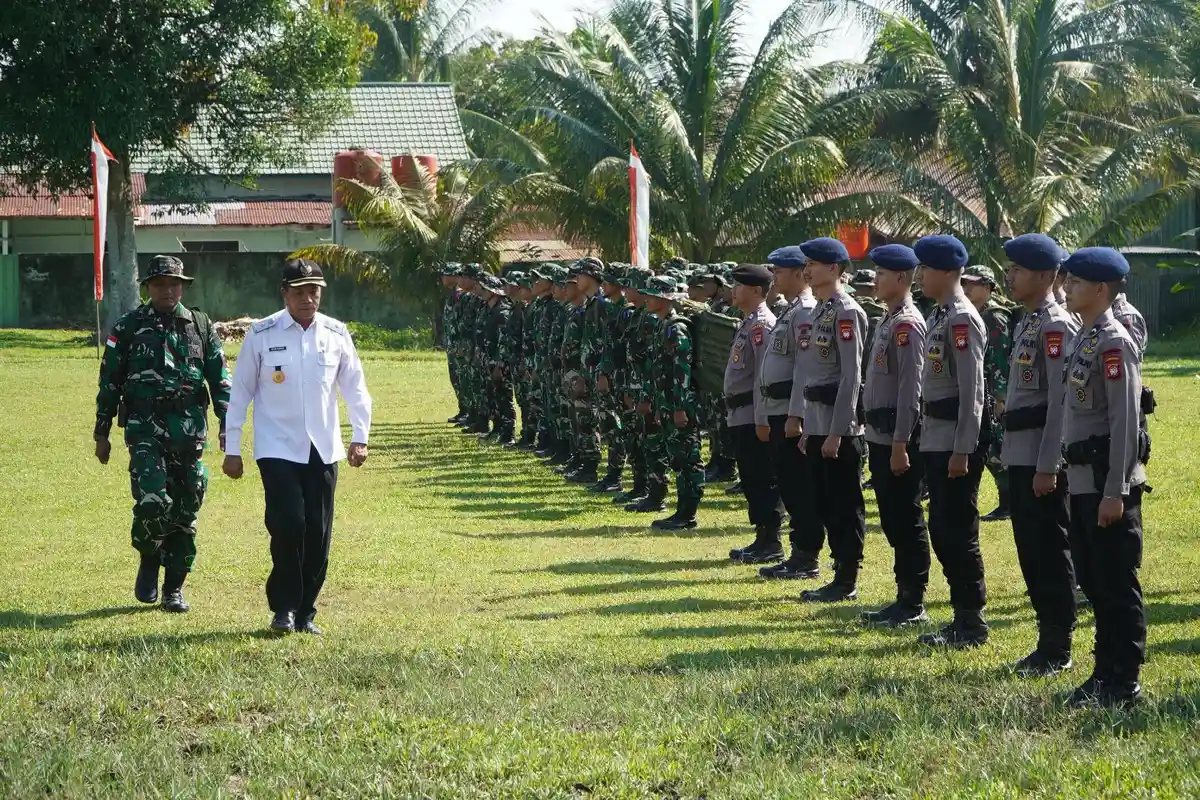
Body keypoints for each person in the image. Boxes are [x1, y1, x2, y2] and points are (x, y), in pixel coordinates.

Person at [222, 258, 373, 634]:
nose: (309, 299)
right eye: (301, 292)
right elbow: (240, 392)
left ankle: (306, 611)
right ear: (285, 293)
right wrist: (233, 447)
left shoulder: (336, 333)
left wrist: (360, 436)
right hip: (277, 447)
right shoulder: (262, 333)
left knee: (318, 533)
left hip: (321, 446)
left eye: (315, 291)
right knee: (288, 524)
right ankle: (284, 608)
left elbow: (355, 387)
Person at [94, 255, 230, 613]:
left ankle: (173, 588)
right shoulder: (128, 326)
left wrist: (227, 427)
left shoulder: (201, 325)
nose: (167, 290)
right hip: (145, 430)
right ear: (148, 288)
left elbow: (219, 378)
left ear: (182, 286)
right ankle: (149, 556)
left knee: (186, 511)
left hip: (189, 433)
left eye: (174, 284)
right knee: (153, 502)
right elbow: (109, 380)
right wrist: (102, 431)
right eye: (159, 284)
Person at [1060, 247, 1148, 707]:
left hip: (1108, 485)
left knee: (1116, 583)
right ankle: (1103, 671)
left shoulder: (1113, 342)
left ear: (1100, 289)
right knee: (1094, 581)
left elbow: (1124, 424)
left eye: (1075, 282)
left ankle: (1124, 680)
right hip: (1083, 482)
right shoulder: (1084, 338)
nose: (1067, 287)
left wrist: (1115, 490)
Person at [999, 233, 1080, 677]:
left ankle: (1058, 645)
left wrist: (1049, 464)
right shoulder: (1028, 323)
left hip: (1041, 461)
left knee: (1049, 549)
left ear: (1046, 277)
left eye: (1019, 270)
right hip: (1021, 454)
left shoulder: (1055, 326)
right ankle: (1045, 639)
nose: (1010, 276)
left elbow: (1059, 403)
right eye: (1010, 269)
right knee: (1030, 548)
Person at [913, 234, 990, 648]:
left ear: (945, 271)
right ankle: (962, 617)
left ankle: (972, 623)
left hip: (955, 444)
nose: (920, 275)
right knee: (942, 528)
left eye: (925, 268)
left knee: (957, 530)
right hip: (937, 439)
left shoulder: (961, 318)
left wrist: (962, 448)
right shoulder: (940, 316)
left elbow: (972, 391)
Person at [792, 238, 869, 603]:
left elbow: (850, 376)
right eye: (806, 264)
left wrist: (838, 431)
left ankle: (847, 578)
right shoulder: (820, 310)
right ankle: (838, 574)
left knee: (842, 504)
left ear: (835, 269)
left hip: (839, 429)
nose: (807, 270)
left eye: (814, 264)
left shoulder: (845, 311)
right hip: (819, 422)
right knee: (824, 501)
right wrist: (810, 424)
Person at [859, 244, 932, 627]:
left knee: (905, 518)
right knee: (891, 517)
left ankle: (912, 600)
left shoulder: (907, 324)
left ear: (902, 279)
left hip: (897, 438)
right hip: (880, 435)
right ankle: (902, 595)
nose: (875, 280)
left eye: (882, 274)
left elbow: (910, 388)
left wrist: (902, 442)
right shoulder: (888, 320)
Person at [756, 246, 823, 580]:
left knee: (799, 486)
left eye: (779, 272)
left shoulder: (805, 311)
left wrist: (797, 415)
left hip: (791, 414)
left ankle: (806, 557)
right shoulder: (789, 310)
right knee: (789, 484)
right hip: (778, 409)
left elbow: (804, 369)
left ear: (799, 273)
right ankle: (799, 553)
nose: (774, 278)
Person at [724, 264, 784, 563]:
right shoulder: (748, 323)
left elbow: (764, 376)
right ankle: (762, 536)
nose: (733, 291)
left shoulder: (761, 325)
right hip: (741, 414)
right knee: (751, 477)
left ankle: (771, 541)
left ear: (757, 291)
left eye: (739, 286)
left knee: (762, 478)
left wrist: (762, 419)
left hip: (753, 414)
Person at [642, 276, 704, 529]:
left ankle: (688, 513)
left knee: (687, 457)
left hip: (681, 404)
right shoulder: (663, 325)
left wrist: (679, 407)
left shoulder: (675, 327)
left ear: (664, 298)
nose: (647, 298)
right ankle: (682, 511)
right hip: (668, 403)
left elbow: (682, 370)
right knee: (677, 457)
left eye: (651, 295)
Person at [962, 264, 1014, 521]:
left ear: (988, 287)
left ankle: (1009, 502)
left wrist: (1000, 397)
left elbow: (1001, 360)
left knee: (998, 449)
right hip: (985, 390)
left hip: (996, 392)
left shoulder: (995, 317)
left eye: (972, 283)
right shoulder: (977, 313)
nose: (966, 288)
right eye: (964, 283)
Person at [440, 263, 468, 424]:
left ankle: (470, 412)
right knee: (456, 379)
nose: (443, 277)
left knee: (464, 380)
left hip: (461, 347)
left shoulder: (462, 296)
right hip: (453, 346)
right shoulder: (452, 295)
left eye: (446, 274)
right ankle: (463, 409)